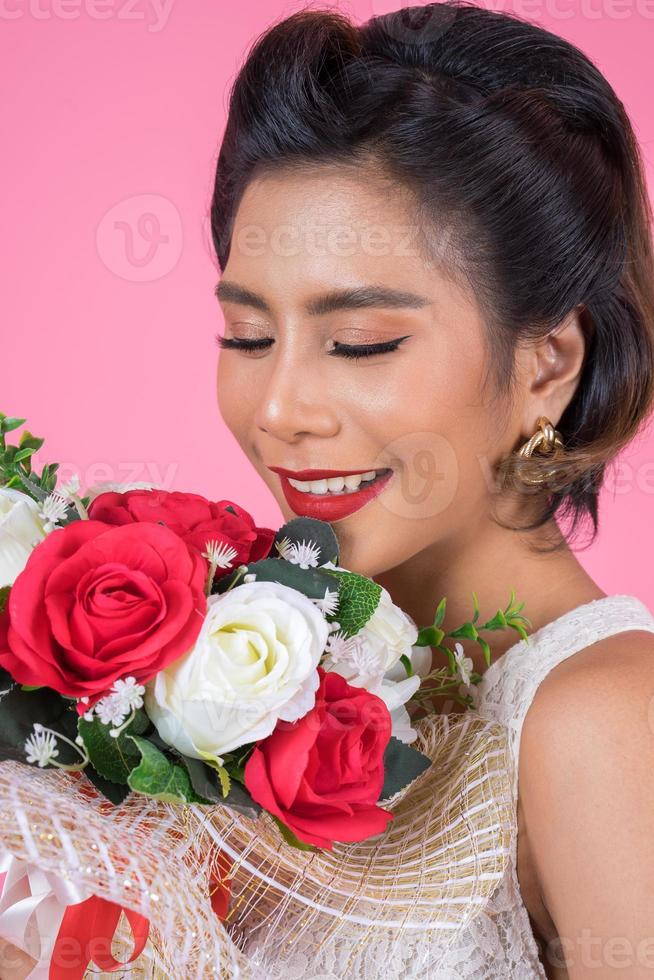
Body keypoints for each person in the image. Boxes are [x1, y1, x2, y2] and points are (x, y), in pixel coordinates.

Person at [211, 3, 654, 976]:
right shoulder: (244, 669)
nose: (279, 405)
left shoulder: (605, 720)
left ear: (547, 364)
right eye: (247, 335)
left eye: (361, 342)